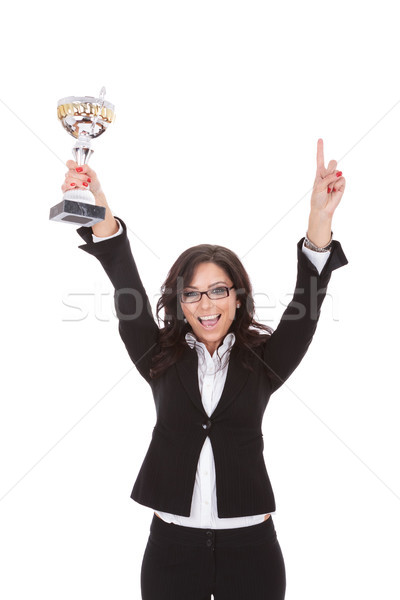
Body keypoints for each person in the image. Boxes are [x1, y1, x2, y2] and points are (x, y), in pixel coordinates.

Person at [65, 138, 348, 600]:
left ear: (238, 296)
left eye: (218, 290)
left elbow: (306, 306)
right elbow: (125, 283)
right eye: (192, 293)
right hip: (171, 548)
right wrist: (101, 213)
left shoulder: (264, 363)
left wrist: (320, 219)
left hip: (251, 548)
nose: (207, 303)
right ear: (180, 302)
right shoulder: (157, 356)